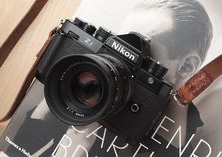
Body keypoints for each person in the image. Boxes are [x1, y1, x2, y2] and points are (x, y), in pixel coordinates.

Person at [61, 0, 213, 156]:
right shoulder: (82, 82)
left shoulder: (177, 145)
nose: (119, 56)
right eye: (120, 39)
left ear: (185, 67)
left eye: (138, 49)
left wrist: (73, 147)